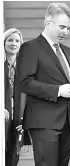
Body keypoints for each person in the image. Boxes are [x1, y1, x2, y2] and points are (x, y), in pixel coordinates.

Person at [16, 3, 70, 166]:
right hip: (44, 121)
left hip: (67, 122)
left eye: (68, 28)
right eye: (62, 27)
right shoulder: (30, 47)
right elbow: (24, 83)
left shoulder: (68, 51)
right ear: (48, 23)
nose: (66, 32)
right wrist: (58, 91)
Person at [4, 28, 32, 166]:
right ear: (3, 43)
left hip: (18, 120)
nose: (13, 43)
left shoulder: (24, 69)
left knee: (13, 158)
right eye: (10, 40)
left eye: (17, 41)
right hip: (2, 118)